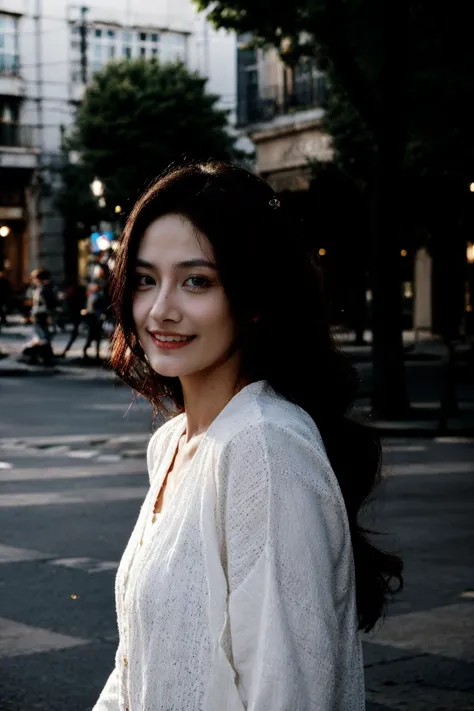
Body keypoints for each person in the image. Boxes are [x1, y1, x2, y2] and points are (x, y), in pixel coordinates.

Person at [93, 161, 403, 711]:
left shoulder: (264, 447)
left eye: (197, 281)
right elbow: (135, 667)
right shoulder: (171, 445)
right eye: (145, 279)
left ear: (255, 299)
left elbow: (287, 693)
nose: (161, 309)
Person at [22, 268, 56, 366]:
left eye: (35, 278)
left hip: (41, 316)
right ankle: (43, 358)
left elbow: (47, 305)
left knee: (42, 338)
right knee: (42, 338)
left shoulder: (44, 289)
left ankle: (44, 358)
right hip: (40, 316)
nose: (33, 280)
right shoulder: (42, 288)